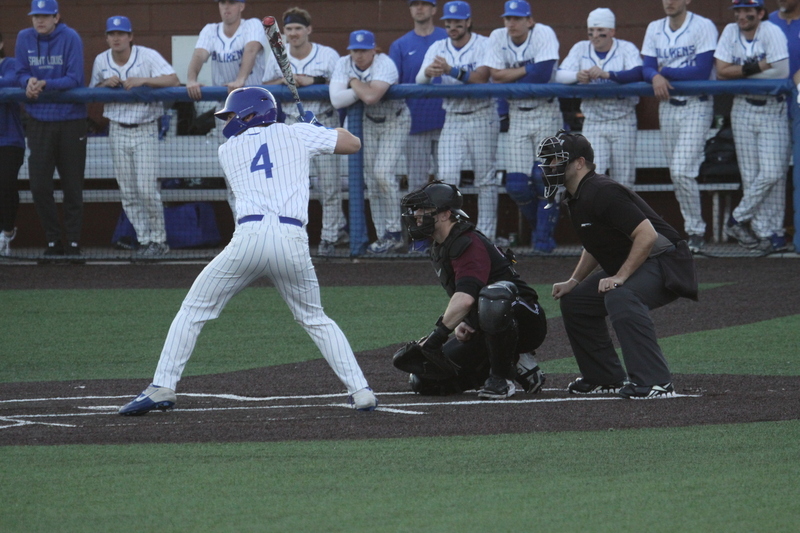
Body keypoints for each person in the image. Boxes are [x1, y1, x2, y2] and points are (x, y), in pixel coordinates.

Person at [119, 87, 378, 415]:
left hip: (249, 240)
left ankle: (163, 385)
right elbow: (352, 143)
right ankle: (361, 390)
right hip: (292, 240)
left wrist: (315, 133)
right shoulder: (296, 133)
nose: (228, 121)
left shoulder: (227, 149)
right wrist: (321, 130)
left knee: (193, 310)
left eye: (231, 114)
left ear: (252, 113)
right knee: (315, 318)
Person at [542, 131, 697, 399]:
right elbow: (594, 244)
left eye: (555, 159)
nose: (549, 166)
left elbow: (646, 235)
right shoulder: (576, 196)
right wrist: (574, 281)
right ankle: (604, 377)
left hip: (666, 262)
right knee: (576, 302)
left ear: (579, 163)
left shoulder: (602, 191)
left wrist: (621, 276)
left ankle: (656, 382)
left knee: (621, 295)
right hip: (645, 261)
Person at [395, 181, 547, 399]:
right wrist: (466, 321)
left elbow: (466, 298)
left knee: (493, 299)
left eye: (424, 209)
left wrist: (437, 336)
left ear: (445, 214)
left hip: (525, 318)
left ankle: (501, 378)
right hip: (487, 322)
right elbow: (468, 297)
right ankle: (521, 368)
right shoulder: (440, 245)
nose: (417, 215)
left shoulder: (467, 242)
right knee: (424, 379)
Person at [90, 16, 180, 257]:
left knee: (146, 189)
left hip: (145, 128)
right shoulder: (101, 60)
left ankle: (159, 241)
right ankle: (144, 240)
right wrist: (103, 84)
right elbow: (91, 93)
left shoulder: (147, 55)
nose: (116, 37)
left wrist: (144, 80)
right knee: (128, 192)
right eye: (112, 33)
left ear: (130, 36)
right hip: (117, 129)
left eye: (121, 33)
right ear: (107, 37)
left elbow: (173, 80)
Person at [263, 7, 347, 257]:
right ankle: (292, 240)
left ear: (308, 29)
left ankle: (330, 238)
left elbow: (341, 83)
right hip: (292, 124)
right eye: (288, 29)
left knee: (330, 186)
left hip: (322, 121)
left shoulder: (328, 55)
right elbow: (265, 85)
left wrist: (315, 81)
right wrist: (287, 80)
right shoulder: (277, 55)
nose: (293, 33)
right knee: (292, 186)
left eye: (298, 28)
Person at [482, 0, 562, 254]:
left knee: (544, 178)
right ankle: (540, 229)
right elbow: (495, 75)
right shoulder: (497, 36)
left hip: (546, 111)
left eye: (517, 18)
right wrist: (527, 69)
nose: (512, 23)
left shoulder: (543, 33)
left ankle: (543, 240)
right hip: (517, 113)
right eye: (508, 18)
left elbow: (543, 73)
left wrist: (511, 72)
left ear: (530, 20)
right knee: (516, 185)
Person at [416, 1, 499, 243]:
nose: (453, 26)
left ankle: (487, 235)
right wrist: (429, 73)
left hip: (482, 115)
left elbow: (482, 77)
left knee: (486, 178)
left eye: (458, 22)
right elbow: (420, 80)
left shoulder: (484, 43)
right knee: (448, 178)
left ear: (468, 22)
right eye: (449, 22)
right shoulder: (438, 46)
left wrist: (451, 70)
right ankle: (452, 234)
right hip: (452, 117)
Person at [641, 0, 718, 254]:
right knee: (678, 172)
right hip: (668, 105)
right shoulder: (654, 27)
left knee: (682, 169)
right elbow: (647, 65)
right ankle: (693, 229)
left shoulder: (703, 25)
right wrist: (654, 75)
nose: (669, 2)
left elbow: (703, 69)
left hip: (697, 104)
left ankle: (696, 230)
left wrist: (666, 72)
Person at [716, 0, 791, 253]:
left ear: (760, 13)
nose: (742, 15)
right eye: (738, 10)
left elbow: (781, 71)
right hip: (742, 107)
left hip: (772, 107)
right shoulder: (729, 31)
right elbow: (721, 71)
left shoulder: (772, 31)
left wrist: (740, 72)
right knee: (751, 176)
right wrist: (760, 66)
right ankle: (766, 235)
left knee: (772, 173)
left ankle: (738, 219)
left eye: (748, 10)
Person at [15, 0, 87, 260]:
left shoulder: (71, 37)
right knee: (39, 186)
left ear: (56, 17)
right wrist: (27, 81)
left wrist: (43, 84)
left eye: (45, 16)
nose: (40, 20)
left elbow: (75, 78)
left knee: (72, 185)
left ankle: (74, 243)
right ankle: (54, 241)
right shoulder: (24, 37)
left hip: (71, 119)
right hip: (37, 120)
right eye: (36, 16)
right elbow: (20, 71)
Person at [330, 30, 410, 254]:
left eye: (364, 50)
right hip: (368, 121)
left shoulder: (385, 64)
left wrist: (353, 82)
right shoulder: (344, 62)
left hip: (395, 120)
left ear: (374, 50)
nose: (359, 55)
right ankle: (384, 234)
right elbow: (336, 99)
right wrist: (362, 90)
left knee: (382, 173)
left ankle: (394, 232)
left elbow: (372, 97)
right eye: (355, 50)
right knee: (372, 182)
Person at [556, 8, 643, 188]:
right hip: (594, 121)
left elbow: (638, 73)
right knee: (592, 177)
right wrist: (576, 76)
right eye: (591, 32)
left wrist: (607, 74)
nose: (595, 36)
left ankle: (623, 216)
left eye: (600, 32)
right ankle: (597, 217)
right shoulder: (581, 48)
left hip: (623, 119)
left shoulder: (626, 48)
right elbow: (560, 75)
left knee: (624, 180)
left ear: (612, 31)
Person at [389, 1, 448, 195]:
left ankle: (447, 225)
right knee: (417, 184)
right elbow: (393, 85)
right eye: (415, 4)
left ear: (434, 9)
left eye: (424, 4)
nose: (419, 8)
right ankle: (419, 225)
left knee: (448, 182)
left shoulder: (447, 38)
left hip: (447, 121)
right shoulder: (400, 45)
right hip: (415, 123)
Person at [186, 0, 267, 101]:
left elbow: (251, 50)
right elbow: (199, 55)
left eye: (232, 2)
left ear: (241, 6)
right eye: (223, 2)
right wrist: (191, 80)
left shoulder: (253, 24)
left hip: (254, 100)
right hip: (224, 103)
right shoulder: (210, 30)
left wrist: (240, 80)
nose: (226, 7)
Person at [768, 0, 800, 253]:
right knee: (772, 172)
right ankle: (773, 233)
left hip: (798, 103)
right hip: (772, 107)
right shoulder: (766, 21)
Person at [0, 32, 25, 257]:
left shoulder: (11, 64)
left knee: (6, 185)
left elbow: (12, 81)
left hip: (9, 140)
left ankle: (6, 234)